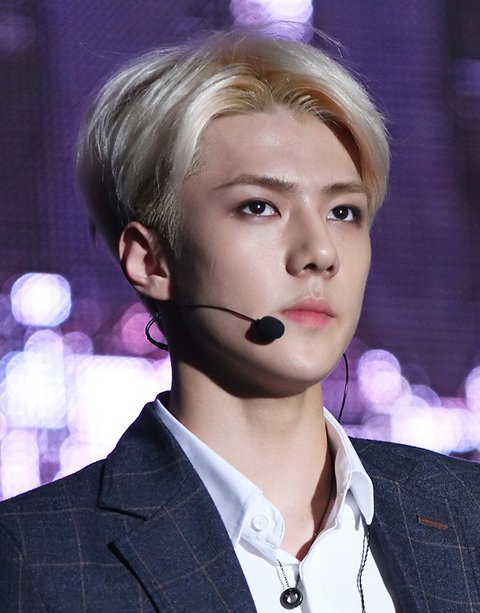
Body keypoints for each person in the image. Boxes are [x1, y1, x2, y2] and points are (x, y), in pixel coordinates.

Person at [0, 27, 479, 613]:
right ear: (152, 260)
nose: (319, 252)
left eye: (344, 212)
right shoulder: (30, 559)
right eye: (259, 206)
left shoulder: (466, 519)